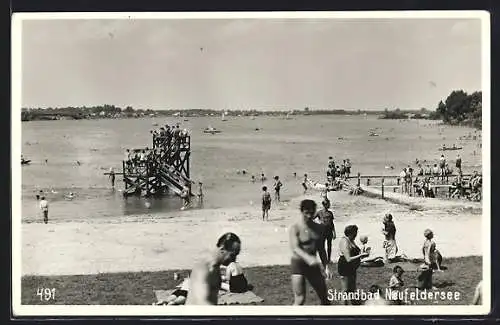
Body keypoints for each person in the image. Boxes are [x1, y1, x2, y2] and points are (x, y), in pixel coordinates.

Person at [289, 199, 332, 305]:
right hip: (298, 264)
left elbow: (321, 249)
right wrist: (308, 258)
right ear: (301, 211)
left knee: (324, 299)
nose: (309, 215)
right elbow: (295, 248)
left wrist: (326, 266)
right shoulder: (295, 228)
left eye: (311, 213)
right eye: (306, 213)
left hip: (313, 265)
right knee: (300, 299)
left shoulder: (319, 228)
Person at [186, 232, 242, 305]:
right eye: (232, 255)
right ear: (222, 249)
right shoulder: (204, 267)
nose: (234, 260)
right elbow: (200, 303)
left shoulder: (216, 266)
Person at [338, 225, 369, 305]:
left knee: (352, 289)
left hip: (352, 268)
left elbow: (356, 251)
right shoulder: (345, 241)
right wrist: (360, 255)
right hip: (345, 266)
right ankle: (343, 310)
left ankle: (355, 307)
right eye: (355, 233)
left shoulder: (351, 240)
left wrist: (363, 251)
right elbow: (348, 259)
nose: (356, 234)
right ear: (351, 233)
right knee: (345, 290)